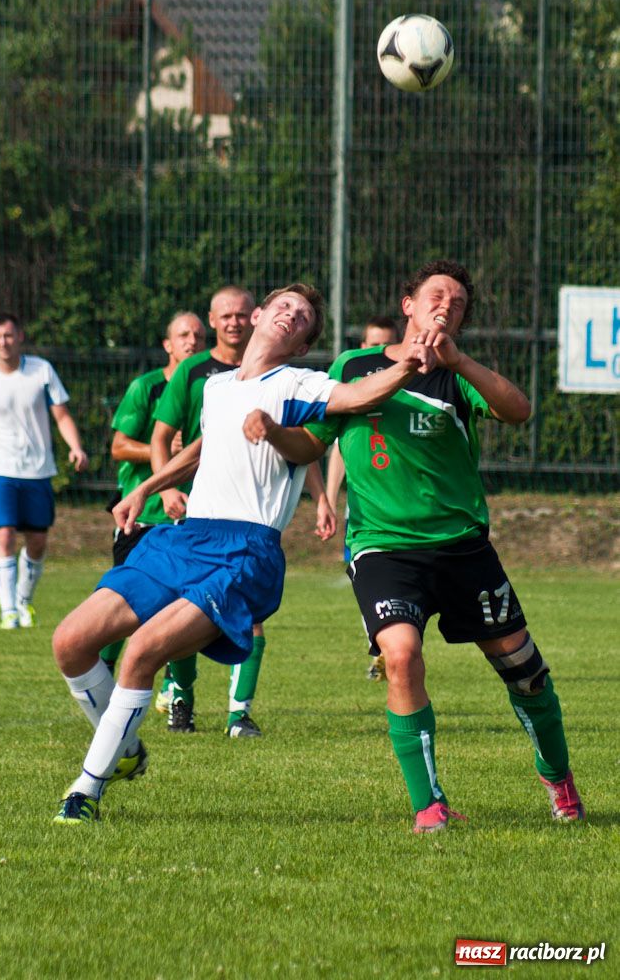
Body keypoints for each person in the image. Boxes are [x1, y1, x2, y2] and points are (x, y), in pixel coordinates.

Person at [51, 282, 436, 823]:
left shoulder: (300, 382)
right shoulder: (217, 387)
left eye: (303, 318)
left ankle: (84, 793)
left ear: (303, 345)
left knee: (141, 653)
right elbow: (203, 448)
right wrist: (145, 487)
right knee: (70, 642)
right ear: (258, 315)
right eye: (283, 306)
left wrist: (408, 366)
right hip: (186, 538)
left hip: (245, 551)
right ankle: (125, 750)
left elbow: (360, 396)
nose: (291, 315)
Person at [303, 259, 585, 833]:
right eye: (436, 296)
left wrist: (458, 360)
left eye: (458, 304)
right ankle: (428, 803)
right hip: (384, 548)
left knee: (525, 671)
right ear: (408, 304)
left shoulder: (459, 377)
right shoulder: (354, 367)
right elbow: (315, 435)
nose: (446, 306)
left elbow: (519, 410)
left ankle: (556, 775)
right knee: (401, 657)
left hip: (462, 548)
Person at [150, 285, 333, 738]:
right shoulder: (198, 375)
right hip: (200, 516)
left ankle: (238, 713)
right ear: (218, 320)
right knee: (175, 613)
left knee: (250, 617)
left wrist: (321, 497)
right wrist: (158, 489)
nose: (233, 321)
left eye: (239, 312)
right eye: (225, 315)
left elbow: (302, 444)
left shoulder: (294, 381)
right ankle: (181, 700)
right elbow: (179, 439)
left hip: (251, 527)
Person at [0, 314, 88, 628]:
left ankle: (24, 600)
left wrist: (76, 446)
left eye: (9, 335)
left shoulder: (41, 371)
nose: (4, 342)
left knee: (38, 540)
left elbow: (62, 415)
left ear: (20, 336)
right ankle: (8, 612)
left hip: (38, 469)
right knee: (3, 534)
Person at [97, 311, 207, 676]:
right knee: (122, 600)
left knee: (184, 608)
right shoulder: (146, 387)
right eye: (183, 335)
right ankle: (104, 673)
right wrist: (163, 452)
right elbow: (119, 446)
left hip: (192, 516)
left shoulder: (215, 387)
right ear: (168, 345)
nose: (192, 341)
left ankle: (179, 695)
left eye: (198, 336)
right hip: (142, 517)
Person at [324, 317, 399, 682]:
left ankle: (386, 647)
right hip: (362, 510)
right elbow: (337, 448)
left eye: (383, 344)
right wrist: (329, 496)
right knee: (365, 575)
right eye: (371, 344)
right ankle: (381, 644)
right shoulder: (351, 385)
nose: (376, 352)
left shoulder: (404, 390)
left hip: (402, 508)